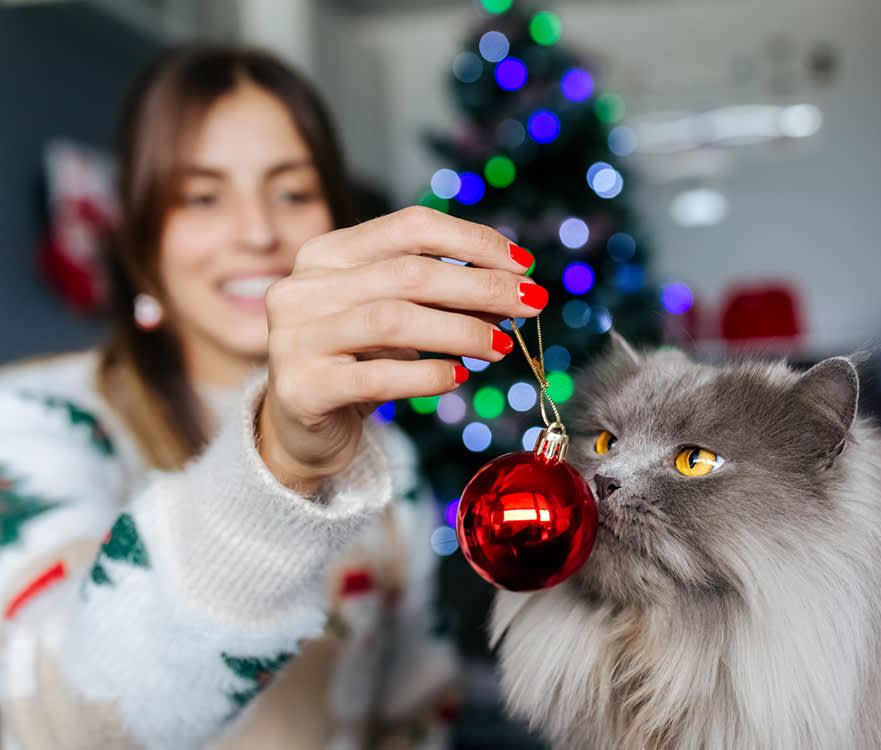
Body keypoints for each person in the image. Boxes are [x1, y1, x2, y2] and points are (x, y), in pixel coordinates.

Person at [0, 43, 547, 749]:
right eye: (201, 197)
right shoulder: (34, 423)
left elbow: (413, 715)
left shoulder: (388, 464)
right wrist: (278, 461)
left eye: (292, 192)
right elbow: (61, 724)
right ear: (140, 238)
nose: (257, 232)